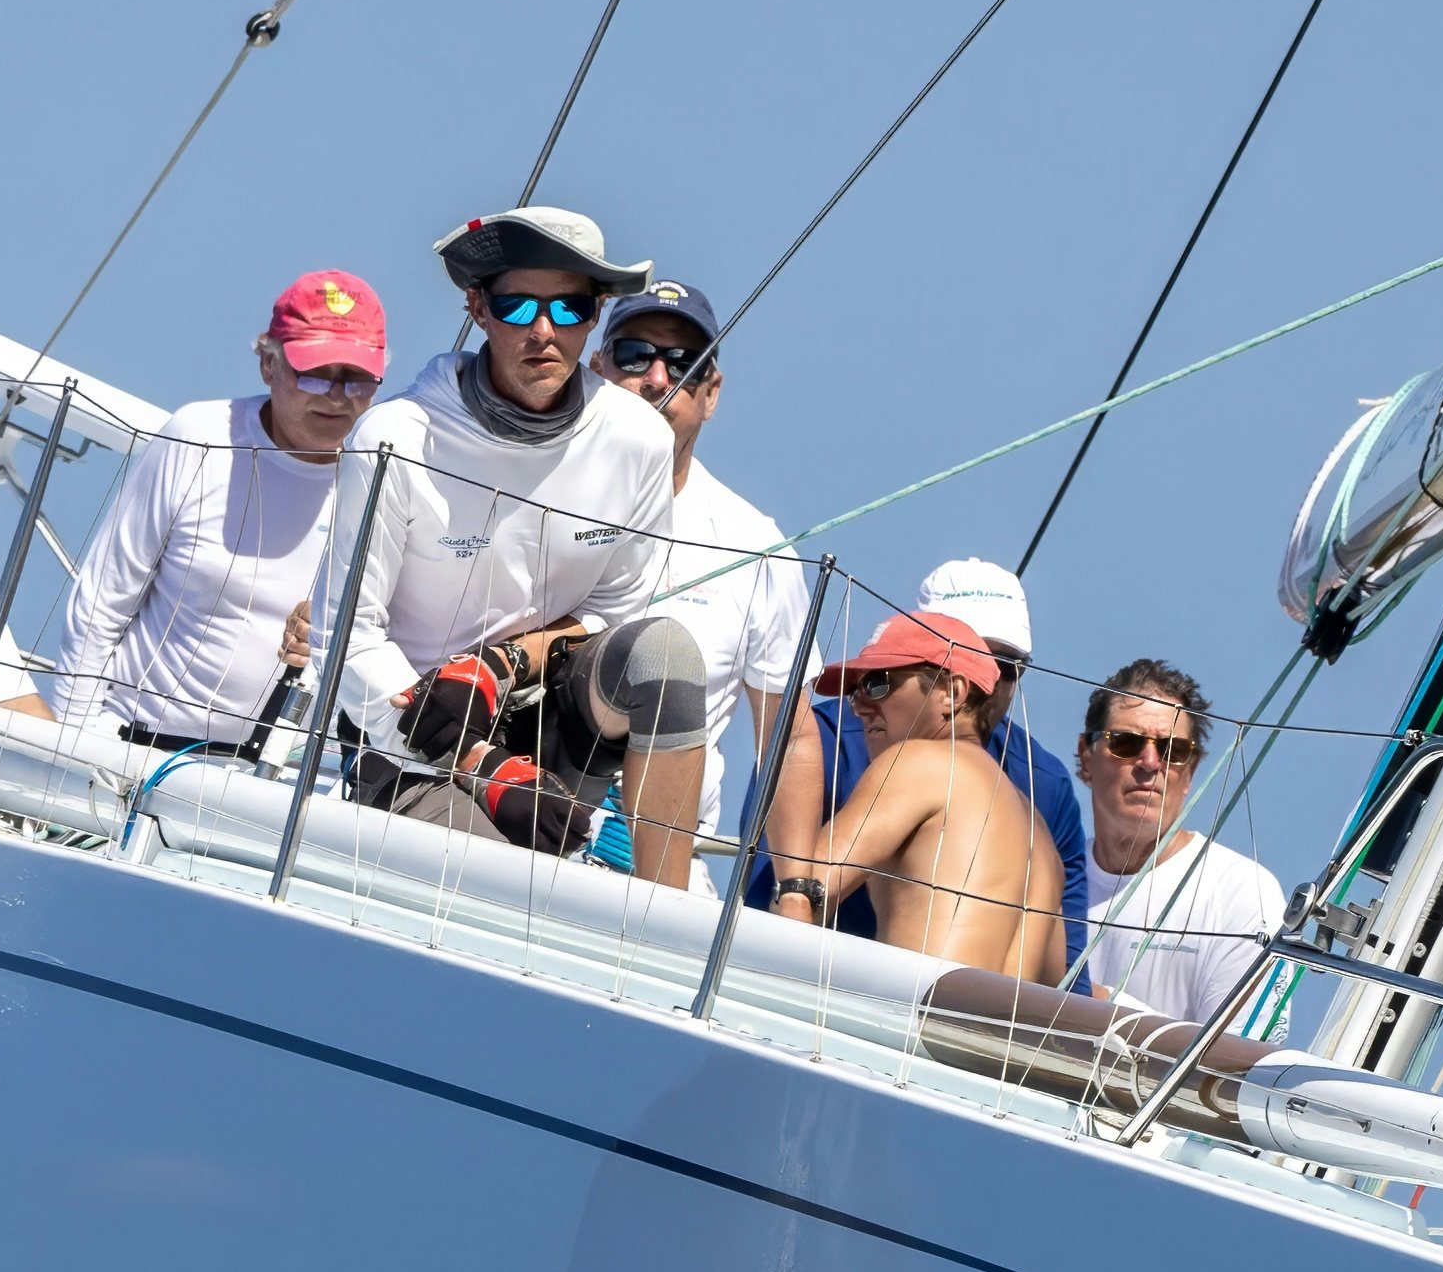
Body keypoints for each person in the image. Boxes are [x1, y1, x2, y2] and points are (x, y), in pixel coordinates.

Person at [336, 206, 708, 868]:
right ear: (478, 309)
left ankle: (661, 912)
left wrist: (502, 663)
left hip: (552, 715)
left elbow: (618, 614)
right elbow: (347, 641)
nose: (543, 330)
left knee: (666, 651)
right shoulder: (395, 436)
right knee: (502, 883)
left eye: (568, 308)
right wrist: (482, 764)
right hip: (407, 735)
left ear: (595, 315)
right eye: (516, 306)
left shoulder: (638, 439)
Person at [54, 269, 394, 754]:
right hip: (133, 745)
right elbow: (101, 602)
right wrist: (73, 743)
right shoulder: (199, 435)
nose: (337, 397)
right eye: (315, 373)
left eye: (357, 379)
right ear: (269, 364)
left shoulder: (387, 477)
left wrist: (329, 646)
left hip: (281, 775)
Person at [748, 552, 1094, 973]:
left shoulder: (917, 762)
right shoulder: (1039, 831)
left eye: (878, 684)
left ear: (951, 692)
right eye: (856, 689)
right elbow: (1056, 987)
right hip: (993, 1018)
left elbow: (800, 896)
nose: (858, 706)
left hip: (905, 1013)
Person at [590, 275, 804, 890]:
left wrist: (797, 891)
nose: (657, 378)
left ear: (711, 394)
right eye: (635, 356)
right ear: (597, 370)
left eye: (683, 363)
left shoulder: (757, 546)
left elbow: (787, 737)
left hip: (663, 879)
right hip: (512, 837)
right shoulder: (524, 491)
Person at [1072, 660, 1289, 1034]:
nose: (1150, 762)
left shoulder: (1240, 892)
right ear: (1086, 756)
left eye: (1172, 750)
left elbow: (1238, 1054)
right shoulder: (1044, 873)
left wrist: (1096, 1003)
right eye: (1126, 743)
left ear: (1190, 771)